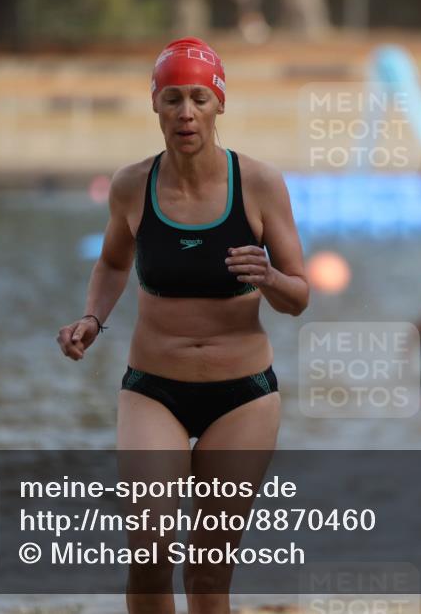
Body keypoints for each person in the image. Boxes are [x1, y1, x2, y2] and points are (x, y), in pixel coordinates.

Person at [56, 37, 309, 614]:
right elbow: (114, 262)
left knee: (207, 577)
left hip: (242, 398)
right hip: (154, 389)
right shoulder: (131, 185)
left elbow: (300, 297)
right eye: (172, 99)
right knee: (147, 564)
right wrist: (94, 317)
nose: (186, 112)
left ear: (220, 104)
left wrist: (269, 278)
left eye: (198, 98)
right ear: (155, 106)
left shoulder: (260, 184)